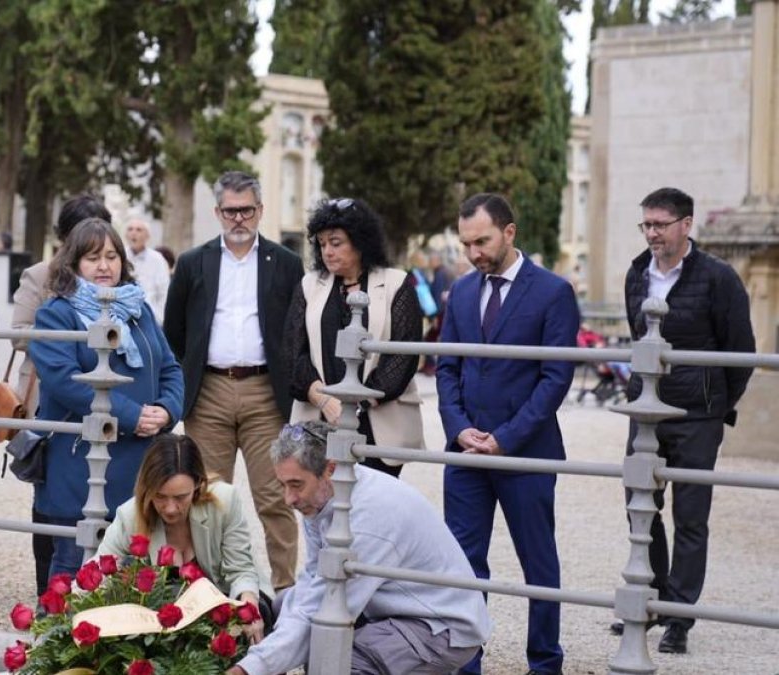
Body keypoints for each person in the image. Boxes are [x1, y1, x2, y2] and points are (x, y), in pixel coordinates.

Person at [435, 193, 579, 675]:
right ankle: (465, 663)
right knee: (463, 565)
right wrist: (458, 430)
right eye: (466, 243)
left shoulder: (553, 292)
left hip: (526, 453)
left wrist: (506, 437)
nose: (473, 252)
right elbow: (446, 369)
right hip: (466, 455)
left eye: (482, 241)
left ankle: (544, 663)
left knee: (539, 566)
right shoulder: (460, 292)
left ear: (509, 233)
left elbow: (555, 379)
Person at [227, 421, 491, 675]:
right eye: (282, 485)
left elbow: (322, 607)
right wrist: (268, 659)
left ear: (330, 469)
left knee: (339, 661)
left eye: (296, 484)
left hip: (441, 624)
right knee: (286, 604)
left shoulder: (366, 517)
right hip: (396, 606)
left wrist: (251, 667)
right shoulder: (326, 495)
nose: (288, 499)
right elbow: (312, 582)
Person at [613, 187, 755, 654]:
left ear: (686, 224)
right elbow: (638, 340)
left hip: (698, 415)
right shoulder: (637, 273)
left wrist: (714, 403)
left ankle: (680, 617)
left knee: (691, 519)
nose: (652, 233)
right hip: (646, 411)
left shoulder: (719, 278)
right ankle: (649, 603)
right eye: (646, 224)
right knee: (640, 508)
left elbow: (741, 353)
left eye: (660, 224)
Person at [163, 170, 303, 592]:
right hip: (209, 391)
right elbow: (174, 334)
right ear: (217, 212)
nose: (238, 219)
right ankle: (205, 595)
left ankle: (284, 594)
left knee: (275, 498)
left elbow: (297, 332)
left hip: (265, 393)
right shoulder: (192, 263)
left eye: (246, 210)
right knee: (204, 498)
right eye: (230, 211)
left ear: (260, 211)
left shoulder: (286, 263)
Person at [29, 218, 183, 578]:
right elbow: (68, 382)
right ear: (73, 263)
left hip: (141, 457)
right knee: (74, 565)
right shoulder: (55, 314)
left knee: (135, 569)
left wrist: (166, 410)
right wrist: (133, 415)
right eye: (92, 257)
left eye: (112, 256)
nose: (104, 266)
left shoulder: (137, 309)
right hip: (81, 459)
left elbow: (170, 367)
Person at [11, 193, 111, 595]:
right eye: (78, 235)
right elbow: (17, 332)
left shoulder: (115, 281)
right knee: (48, 496)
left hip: (102, 395)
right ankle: (46, 587)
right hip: (47, 398)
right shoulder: (40, 275)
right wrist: (61, 343)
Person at [284, 197, 424, 478]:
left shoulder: (397, 283)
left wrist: (355, 405)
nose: (327, 251)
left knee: (372, 510)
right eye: (322, 244)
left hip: (377, 423)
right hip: (319, 419)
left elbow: (403, 356)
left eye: (336, 242)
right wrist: (325, 400)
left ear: (360, 242)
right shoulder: (309, 285)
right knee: (321, 509)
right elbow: (292, 352)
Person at [98, 433, 268, 644]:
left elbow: (241, 570)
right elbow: (96, 573)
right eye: (159, 496)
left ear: (198, 484)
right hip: (163, 627)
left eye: (180, 497)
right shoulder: (130, 515)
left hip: (225, 606)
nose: (170, 509)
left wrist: (249, 607)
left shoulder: (225, 501)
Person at [124, 219, 170, 318]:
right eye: (130, 229)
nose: (133, 233)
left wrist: (160, 317)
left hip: (152, 316)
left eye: (139, 230)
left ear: (147, 236)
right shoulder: (120, 256)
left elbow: (164, 292)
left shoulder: (158, 259)